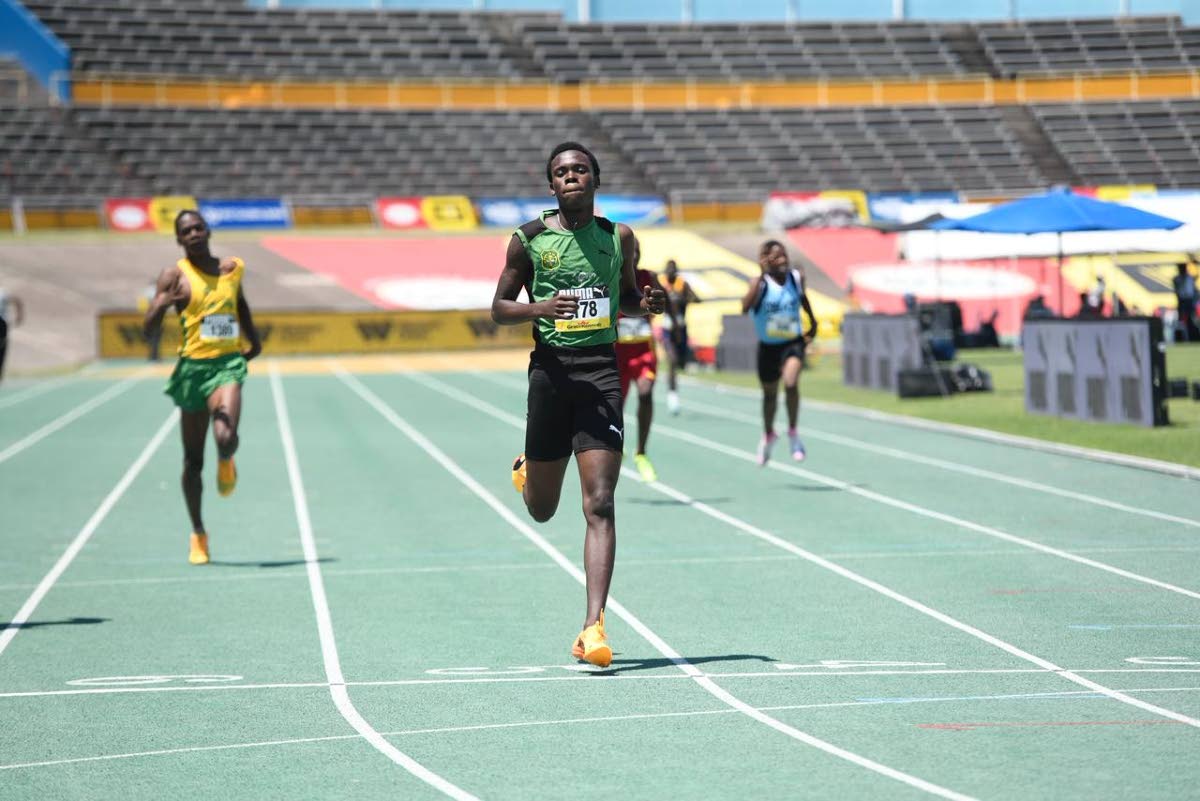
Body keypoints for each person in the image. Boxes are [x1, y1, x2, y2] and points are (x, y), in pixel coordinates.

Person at [491, 142, 665, 668]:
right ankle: (529, 470)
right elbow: (498, 308)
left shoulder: (619, 237)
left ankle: (593, 626)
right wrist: (540, 307)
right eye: (562, 172)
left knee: (600, 502)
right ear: (552, 186)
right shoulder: (529, 240)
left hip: (600, 374)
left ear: (594, 179)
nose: (572, 177)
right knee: (543, 510)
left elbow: (628, 298)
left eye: (580, 169)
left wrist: (647, 305)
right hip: (550, 375)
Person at [144, 210, 261, 566]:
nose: (194, 233)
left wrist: (253, 341)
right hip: (192, 370)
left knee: (226, 435)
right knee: (192, 461)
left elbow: (239, 304)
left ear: (208, 230)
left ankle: (226, 458)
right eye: (186, 231)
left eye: (198, 227)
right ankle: (198, 532)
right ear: (179, 240)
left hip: (226, 365)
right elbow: (147, 332)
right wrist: (161, 306)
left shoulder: (232, 268)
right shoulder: (174, 275)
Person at [741, 240, 816, 466]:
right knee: (770, 395)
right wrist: (761, 274)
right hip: (768, 347)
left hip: (792, 342)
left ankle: (793, 431)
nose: (783, 260)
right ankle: (768, 434)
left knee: (791, 383)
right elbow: (744, 308)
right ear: (766, 259)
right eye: (777, 256)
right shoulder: (760, 283)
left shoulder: (795, 278)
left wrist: (813, 324)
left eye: (784, 255)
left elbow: (803, 300)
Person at [614, 236, 660, 482]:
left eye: (637, 252)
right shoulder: (612, 277)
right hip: (617, 353)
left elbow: (663, 305)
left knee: (645, 392)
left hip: (643, 352)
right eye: (630, 253)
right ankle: (616, 449)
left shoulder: (648, 277)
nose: (634, 256)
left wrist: (662, 307)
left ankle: (641, 451)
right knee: (616, 407)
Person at [657, 259, 700, 414]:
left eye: (673, 269)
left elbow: (696, 298)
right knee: (673, 361)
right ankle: (672, 395)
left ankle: (673, 384)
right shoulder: (661, 285)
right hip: (668, 329)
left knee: (681, 362)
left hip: (681, 329)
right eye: (668, 269)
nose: (671, 272)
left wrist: (686, 298)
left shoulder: (683, 285)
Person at [0, 285, 25, 384]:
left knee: (2, 349)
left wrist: (19, 315)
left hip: (2, 325)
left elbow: (16, 300)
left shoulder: (2, 294)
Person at [1173, 262, 1198, 342]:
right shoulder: (1177, 278)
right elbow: (1177, 290)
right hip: (1182, 300)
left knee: (1191, 320)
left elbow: (1194, 290)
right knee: (1181, 321)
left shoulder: (1190, 278)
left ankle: (1193, 337)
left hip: (1189, 301)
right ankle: (1180, 338)